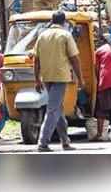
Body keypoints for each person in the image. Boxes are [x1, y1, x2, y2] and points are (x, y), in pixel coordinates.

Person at [34, 11, 85, 152]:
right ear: (64, 22)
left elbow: (36, 60)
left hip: (46, 77)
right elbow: (75, 58)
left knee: (58, 109)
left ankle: (65, 141)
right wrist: (80, 78)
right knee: (53, 109)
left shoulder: (42, 36)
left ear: (52, 20)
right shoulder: (65, 35)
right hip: (60, 76)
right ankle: (42, 143)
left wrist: (37, 79)